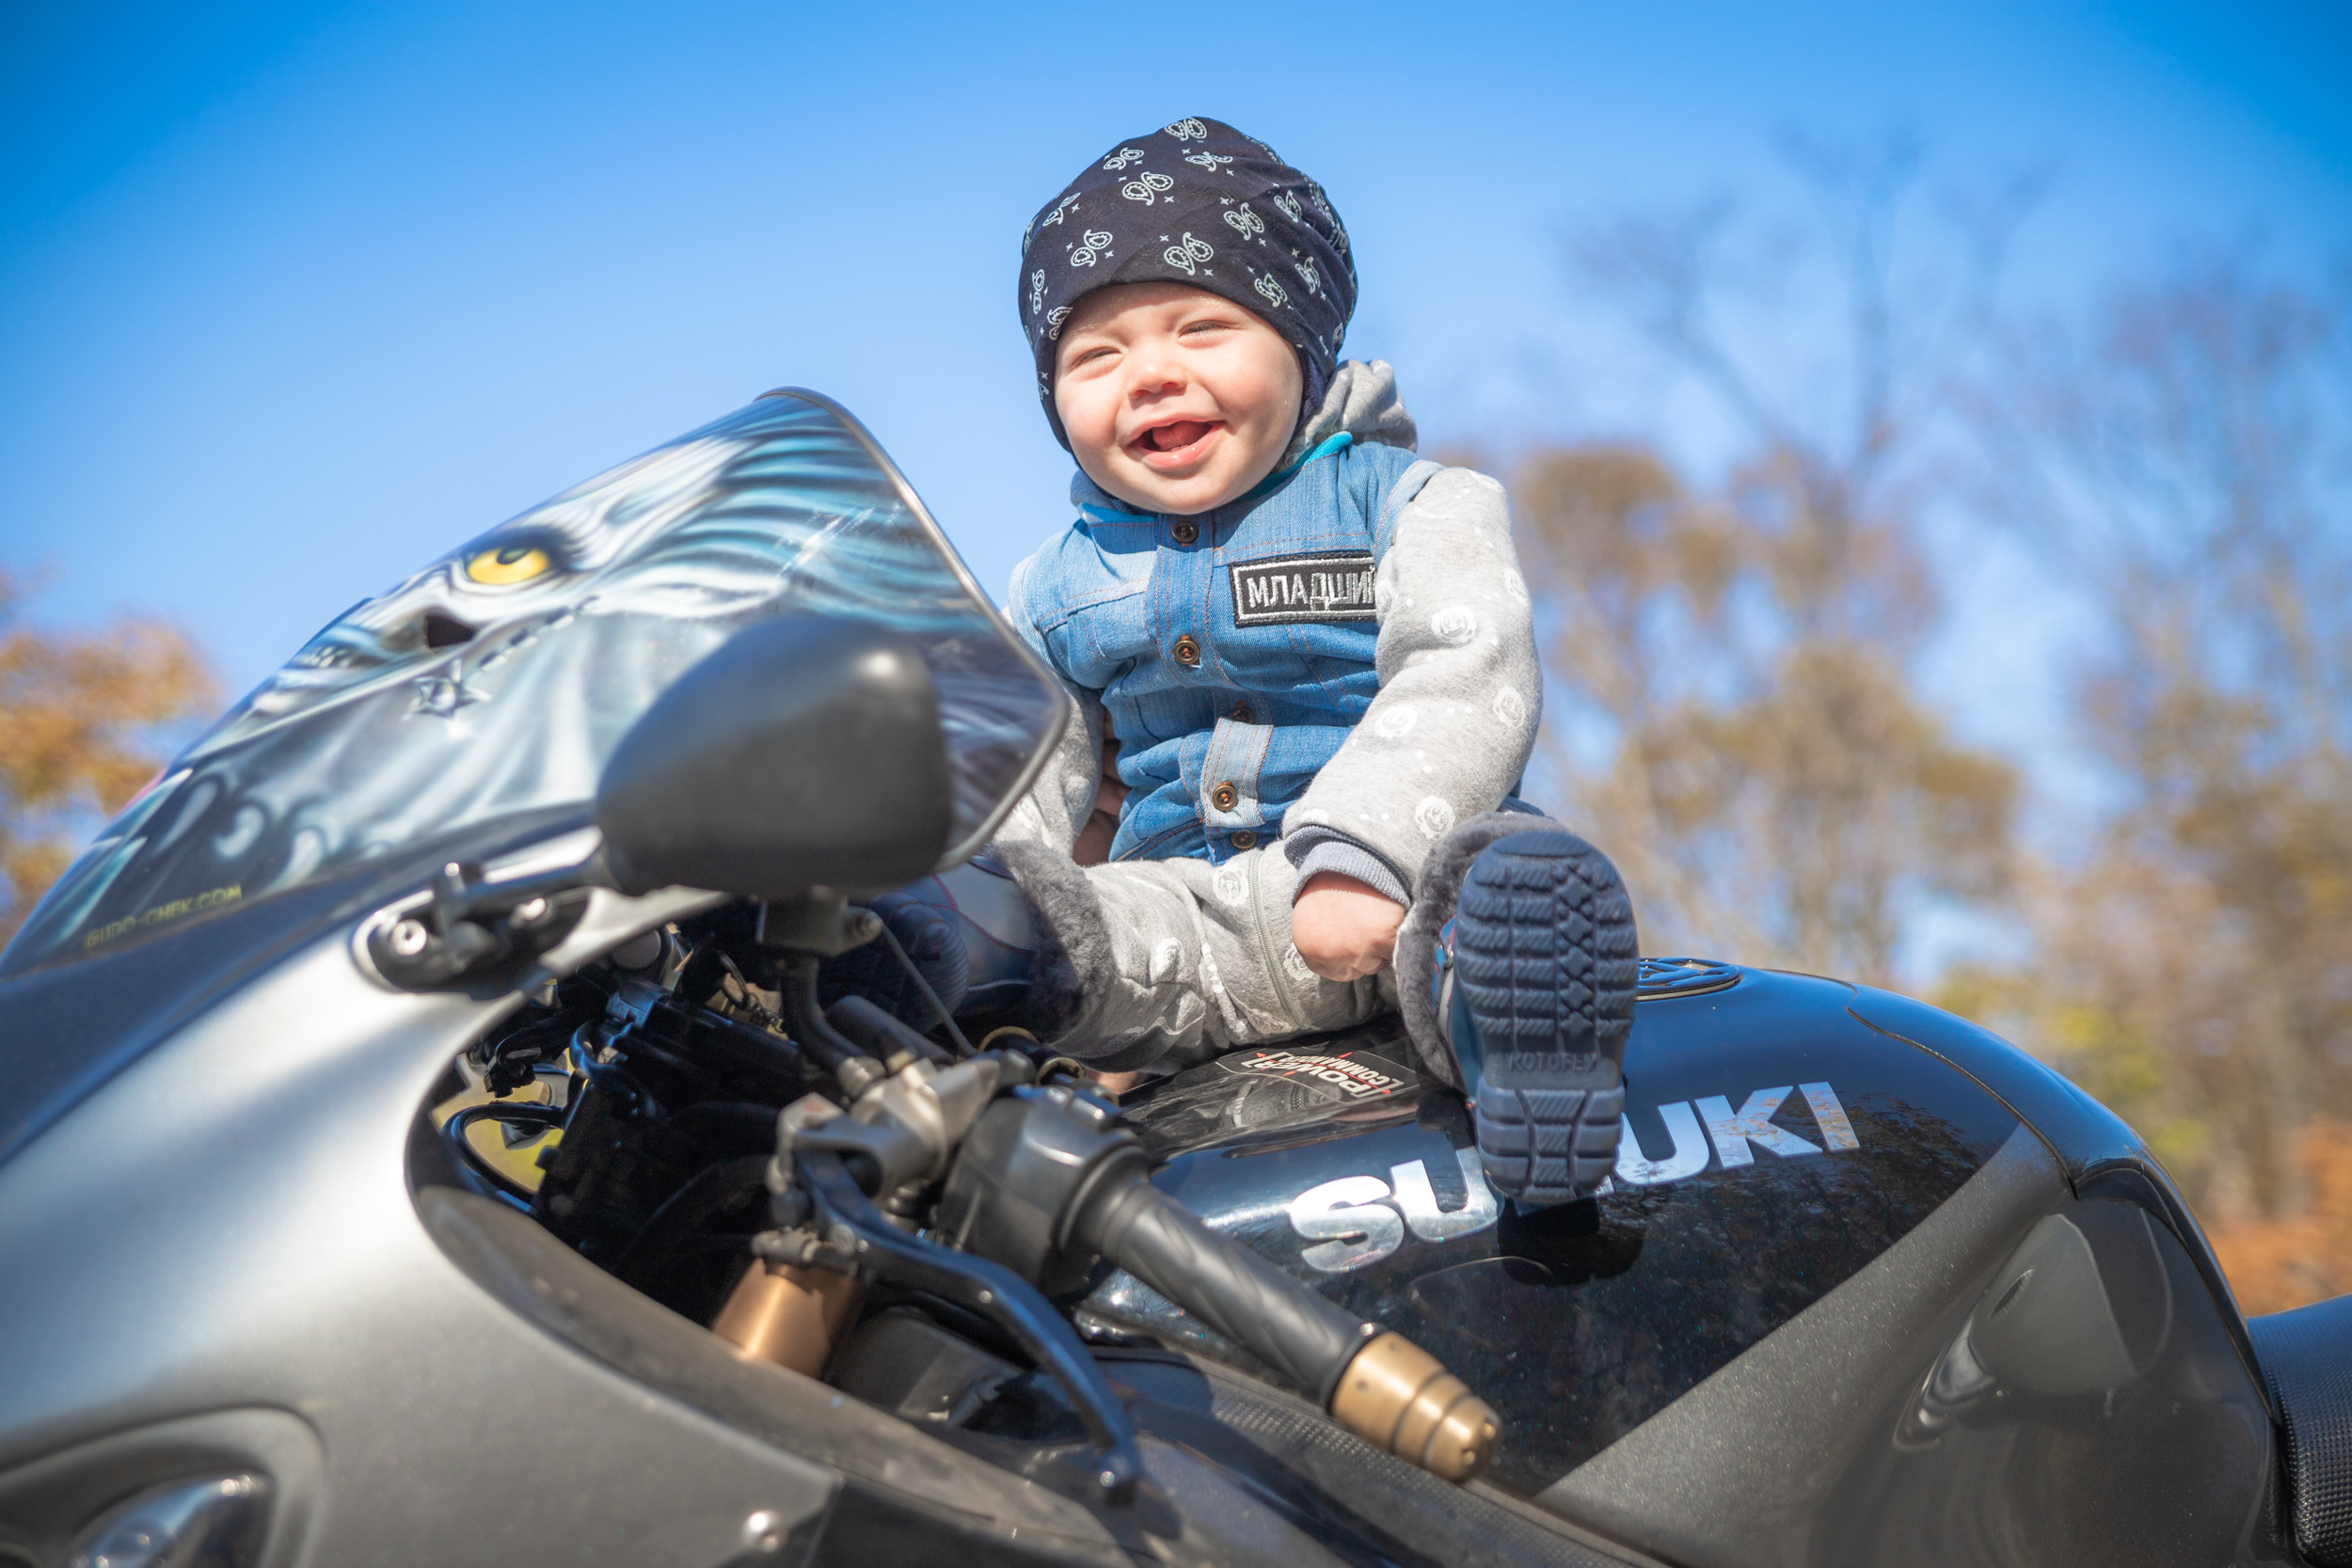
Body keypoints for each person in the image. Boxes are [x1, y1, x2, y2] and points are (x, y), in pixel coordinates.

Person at [843, 119, 1637, 1207]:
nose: (1151, 375)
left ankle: (1524, 1056)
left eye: (1202, 328)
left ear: (1301, 348)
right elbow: (1026, 764)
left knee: (1500, 874)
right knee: (1062, 933)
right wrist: (981, 895)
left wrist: (1362, 853)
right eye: (1095, 356)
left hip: (1403, 894)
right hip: (1192, 923)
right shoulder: (1048, 586)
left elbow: (1463, 679)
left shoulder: (1407, 504)